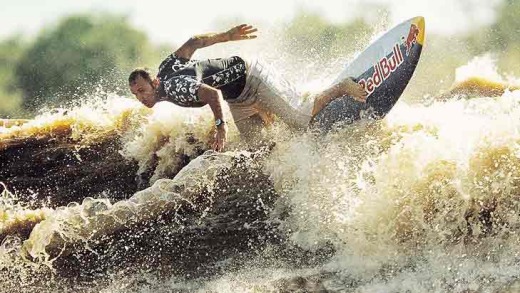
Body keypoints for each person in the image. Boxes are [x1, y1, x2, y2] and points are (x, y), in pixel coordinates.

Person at [129, 24, 367, 152]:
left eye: (142, 90)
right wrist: (227, 35)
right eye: (136, 94)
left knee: (299, 119)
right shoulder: (167, 66)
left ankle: (341, 88)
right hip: (237, 97)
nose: (141, 97)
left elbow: (211, 94)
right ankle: (280, 114)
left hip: (252, 77)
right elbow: (194, 42)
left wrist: (221, 128)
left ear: (155, 82)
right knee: (260, 149)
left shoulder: (174, 87)